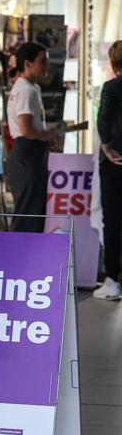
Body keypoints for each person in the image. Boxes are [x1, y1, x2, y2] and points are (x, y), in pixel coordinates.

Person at [6, 42, 62, 233]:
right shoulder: (26, 90)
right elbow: (26, 129)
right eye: (42, 61)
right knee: (27, 216)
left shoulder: (29, 87)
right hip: (27, 153)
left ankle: (24, 258)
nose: (46, 66)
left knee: (31, 213)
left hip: (28, 153)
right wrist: (48, 135)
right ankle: (17, 259)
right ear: (27, 64)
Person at [95, 41, 122, 300]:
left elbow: (103, 120)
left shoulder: (112, 88)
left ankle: (112, 279)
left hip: (115, 163)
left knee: (112, 221)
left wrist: (107, 147)